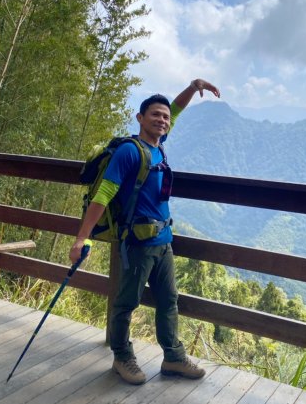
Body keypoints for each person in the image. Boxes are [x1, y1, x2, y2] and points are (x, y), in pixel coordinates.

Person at [69, 79, 221, 385]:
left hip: (164, 242)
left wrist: (193, 87)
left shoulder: (158, 147)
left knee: (169, 301)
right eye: (155, 115)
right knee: (126, 303)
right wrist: (80, 238)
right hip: (137, 243)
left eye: (164, 117)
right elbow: (103, 196)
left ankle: (174, 358)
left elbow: (175, 110)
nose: (162, 120)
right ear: (140, 118)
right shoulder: (129, 152)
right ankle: (122, 357)